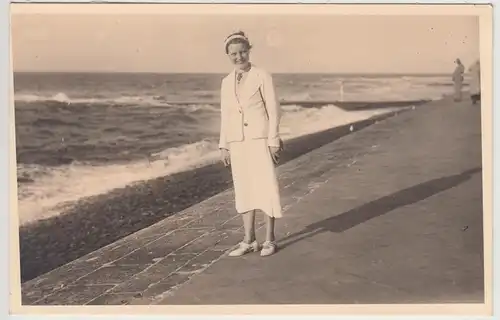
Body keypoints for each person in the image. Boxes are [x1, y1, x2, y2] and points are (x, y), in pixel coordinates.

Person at [218, 31, 283, 257]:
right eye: (233, 53)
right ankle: (249, 240)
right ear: (227, 55)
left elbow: (274, 110)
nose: (239, 57)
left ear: (249, 51)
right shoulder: (226, 82)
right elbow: (225, 115)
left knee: (266, 187)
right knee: (244, 189)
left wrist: (273, 139)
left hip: (259, 139)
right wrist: (224, 144)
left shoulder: (262, 75)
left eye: (243, 52)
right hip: (237, 142)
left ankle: (270, 240)